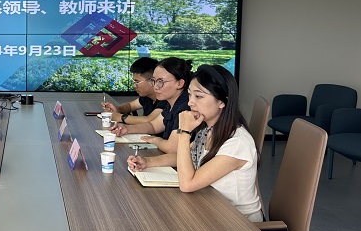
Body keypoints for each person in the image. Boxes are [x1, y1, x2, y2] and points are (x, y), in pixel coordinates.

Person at [127, 64, 263, 221]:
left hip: (239, 223)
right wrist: (147, 162)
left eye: (198, 96)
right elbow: (183, 157)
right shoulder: (207, 129)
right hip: (211, 209)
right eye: (190, 95)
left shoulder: (237, 142)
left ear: (221, 101)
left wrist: (184, 132)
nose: (190, 102)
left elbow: (187, 184)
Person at [111, 57, 192, 153]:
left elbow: (171, 148)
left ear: (180, 83)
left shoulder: (185, 106)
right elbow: (153, 126)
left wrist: (154, 140)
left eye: (161, 82)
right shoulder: (171, 103)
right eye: (154, 81)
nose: (155, 87)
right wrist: (127, 129)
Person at [101, 56, 163, 125]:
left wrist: (120, 117)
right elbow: (130, 106)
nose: (134, 85)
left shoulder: (165, 99)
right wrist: (117, 109)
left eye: (137, 82)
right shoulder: (147, 97)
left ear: (152, 80)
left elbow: (149, 120)